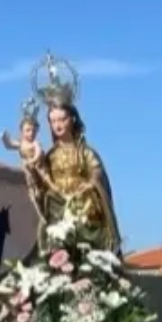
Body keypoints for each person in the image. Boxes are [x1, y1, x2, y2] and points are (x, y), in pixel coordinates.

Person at [26, 99, 122, 253]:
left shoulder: (84, 151)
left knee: (84, 209)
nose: (58, 125)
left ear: (72, 119)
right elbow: (43, 185)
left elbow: (96, 171)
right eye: (53, 121)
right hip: (58, 207)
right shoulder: (50, 156)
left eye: (62, 119)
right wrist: (34, 174)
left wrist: (90, 183)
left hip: (82, 204)